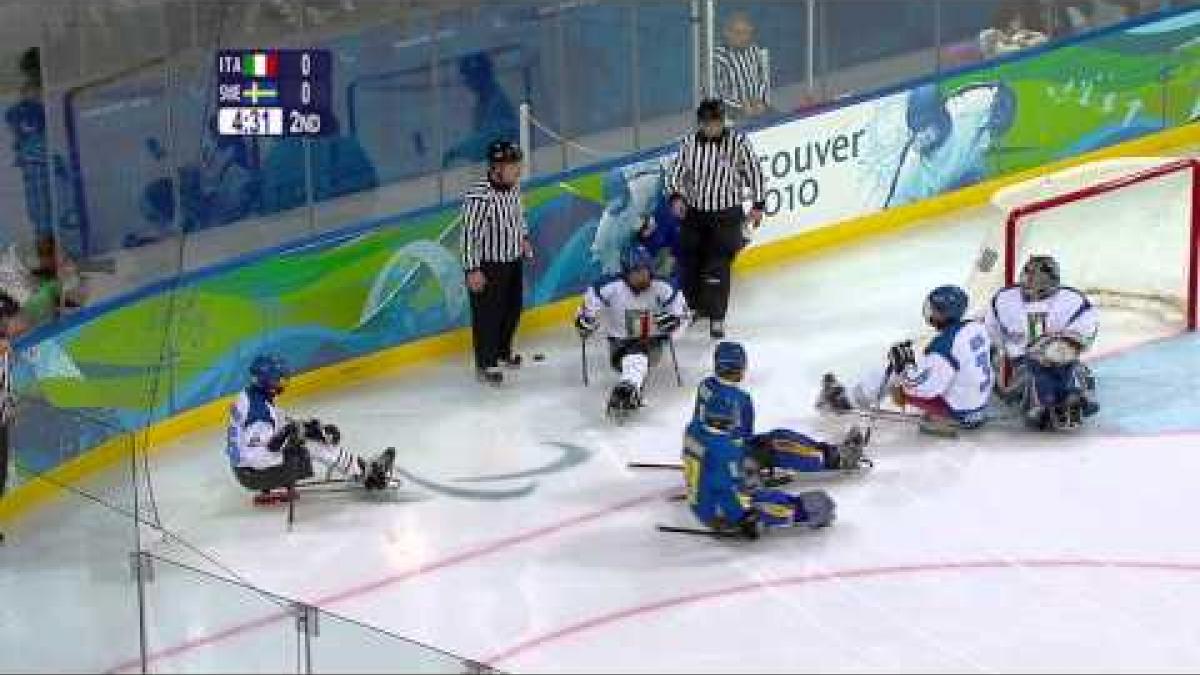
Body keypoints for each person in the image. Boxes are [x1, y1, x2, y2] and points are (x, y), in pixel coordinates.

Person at [820, 285, 994, 435]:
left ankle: (844, 402)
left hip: (959, 413)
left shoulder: (944, 347)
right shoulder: (975, 327)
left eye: (935, 310)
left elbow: (925, 389)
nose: (930, 313)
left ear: (945, 314)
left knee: (889, 373)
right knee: (915, 368)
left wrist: (904, 369)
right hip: (978, 406)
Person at [227, 355, 395, 503]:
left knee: (308, 438)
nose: (282, 383)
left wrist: (308, 428)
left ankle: (358, 468)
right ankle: (367, 475)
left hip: (247, 465)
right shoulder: (259, 412)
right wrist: (296, 438)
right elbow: (266, 448)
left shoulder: (251, 396)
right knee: (311, 447)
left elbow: (277, 422)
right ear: (266, 381)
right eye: (278, 379)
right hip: (254, 472)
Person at [666, 98, 766, 339]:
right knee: (691, 263)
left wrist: (758, 204)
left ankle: (717, 317)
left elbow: (753, 171)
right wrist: (676, 197)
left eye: (717, 122)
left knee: (717, 266)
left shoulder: (737, 142)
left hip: (726, 215)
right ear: (701, 124)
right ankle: (694, 307)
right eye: (708, 123)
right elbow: (676, 172)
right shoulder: (689, 143)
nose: (713, 127)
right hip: (696, 214)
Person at [694, 341, 870, 476]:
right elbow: (743, 437)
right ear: (740, 368)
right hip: (730, 457)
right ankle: (837, 458)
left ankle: (831, 451)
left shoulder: (706, 385)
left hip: (708, 450)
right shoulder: (740, 399)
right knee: (780, 446)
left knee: (779, 436)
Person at [683, 391, 837, 540]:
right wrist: (742, 518)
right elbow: (726, 491)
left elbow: (715, 452)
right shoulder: (725, 452)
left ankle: (823, 453)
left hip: (706, 492)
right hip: (715, 510)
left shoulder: (694, 428)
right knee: (767, 503)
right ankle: (804, 511)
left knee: (774, 440)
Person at [986, 255, 1099, 431]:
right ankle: (1046, 402)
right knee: (1029, 381)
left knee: (1069, 369)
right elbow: (991, 333)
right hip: (1022, 361)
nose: (1033, 283)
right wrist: (997, 359)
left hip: (1060, 356)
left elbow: (1086, 330)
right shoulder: (1004, 299)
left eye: (1040, 279)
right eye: (1029, 276)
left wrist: (1066, 343)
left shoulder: (1072, 300)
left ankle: (1072, 395)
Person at [575, 244, 689, 418]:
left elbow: (684, 317)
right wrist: (583, 323)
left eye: (646, 270)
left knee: (639, 354)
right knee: (635, 354)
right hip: (618, 344)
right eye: (637, 271)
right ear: (626, 272)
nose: (643, 276)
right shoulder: (607, 286)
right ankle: (630, 387)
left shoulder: (665, 287)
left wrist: (675, 325)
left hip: (653, 343)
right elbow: (586, 312)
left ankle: (628, 388)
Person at [461, 139, 532, 385]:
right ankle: (486, 363)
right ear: (496, 168)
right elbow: (469, 235)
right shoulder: (479, 196)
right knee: (487, 316)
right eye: (514, 165)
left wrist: (523, 237)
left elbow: (518, 215)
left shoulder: (513, 188)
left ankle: (502, 351)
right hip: (488, 266)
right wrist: (472, 269)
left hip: (512, 260)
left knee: (512, 309)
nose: (518, 169)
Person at [442, 52, 519, 168]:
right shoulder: (482, 103)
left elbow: (489, 140)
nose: (467, 83)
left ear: (483, 75)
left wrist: (457, 151)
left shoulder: (498, 102)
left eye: (470, 77)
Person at [713, 12, 772, 121]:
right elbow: (715, 93)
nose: (745, 38)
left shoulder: (753, 49)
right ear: (727, 33)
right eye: (739, 33)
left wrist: (761, 101)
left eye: (748, 33)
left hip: (757, 106)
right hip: (730, 111)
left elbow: (761, 80)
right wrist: (740, 106)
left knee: (782, 123)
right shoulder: (717, 58)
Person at [0, 291, 20, 544]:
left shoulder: (5, 351)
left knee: (0, 475)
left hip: (1, 419)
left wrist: (10, 405)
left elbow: (17, 309)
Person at [979, 0, 1049, 59]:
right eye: (1016, 19)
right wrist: (1007, 39)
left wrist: (1025, 39)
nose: (1020, 21)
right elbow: (1003, 53)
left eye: (1020, 18)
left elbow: (1043, 40)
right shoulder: (989, 35)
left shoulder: (1030, 36)